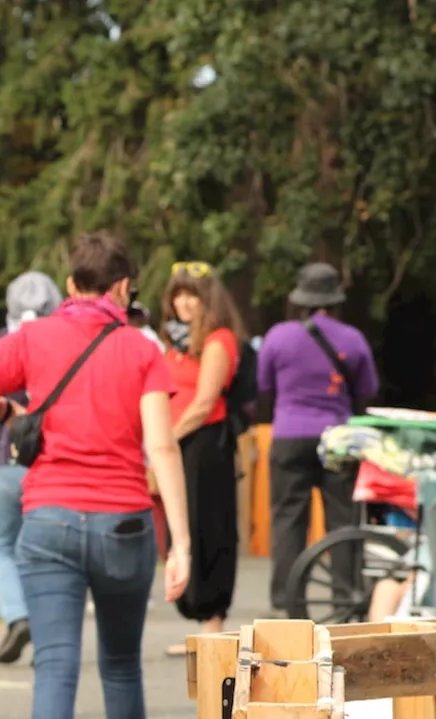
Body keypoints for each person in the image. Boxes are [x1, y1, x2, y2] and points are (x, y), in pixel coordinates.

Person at [0, 231, 191, 719]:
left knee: (55, 666)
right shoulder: (142, 349)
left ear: (71, 284)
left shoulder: (33, 338)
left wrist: (7, 412)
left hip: (48, 520)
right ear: (123, 288)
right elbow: (162, 446)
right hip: (124, 523)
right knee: (121, 667)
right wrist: (182, 546)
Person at [259, 262, 378, 615]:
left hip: (289, 436)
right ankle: (345, 599)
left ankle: (289, 601)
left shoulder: (277, 337)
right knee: (342, 521)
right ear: (336, 300)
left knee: (288, 519)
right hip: (337, 439)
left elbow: (264, 390)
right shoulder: (353, 339)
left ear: (301, 300)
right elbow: (366, 391)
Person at [0, 270, 63, 665]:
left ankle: (17, 616)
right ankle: (47, 636)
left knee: (0, 546)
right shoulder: (64, 345)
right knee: (44, 552)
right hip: (50, 461)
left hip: (6, 458)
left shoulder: (4, 342)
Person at [160, 261, 245, 652]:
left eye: (191, 294)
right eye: (178, 293)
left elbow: (205, 401)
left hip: (205, 445)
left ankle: (213, 621)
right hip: (177, 445)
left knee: (209, 527)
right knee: (183, 527)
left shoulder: (218, 339)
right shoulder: (173, 343)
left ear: (206, 300)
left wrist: (166, 439)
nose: (183, 302)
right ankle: (195, 622)